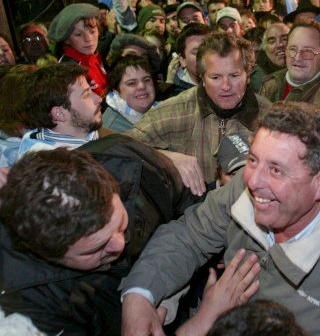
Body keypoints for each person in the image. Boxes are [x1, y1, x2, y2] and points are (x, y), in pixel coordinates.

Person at [120, 102, 320, 336]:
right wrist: (139, 296)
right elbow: (188, 235)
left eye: (276, 169)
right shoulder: (244, 196)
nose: (254, 180)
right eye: (253, 160)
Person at [0, 143, 196, 335]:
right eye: (96, 248)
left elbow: (192, 212)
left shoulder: (128, 159)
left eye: (120, 223)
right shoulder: (32, 314)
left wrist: (156, 291)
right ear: (48, 255)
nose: (119, 244)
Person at [129, 32, 271, 194]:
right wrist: (166, 158)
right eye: (215, 77)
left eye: (234, 75)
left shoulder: (268, 116)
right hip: (191, 214)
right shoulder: (177, 111)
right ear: (202, 78)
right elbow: (120, 146)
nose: (226, 86)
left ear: (248, 76)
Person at [15, 63, 106, 161]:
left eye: (91, 91)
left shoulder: (87, 129)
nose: (99, 99)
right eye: (86, 95)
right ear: (59, 113)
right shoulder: (52, 166)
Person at [259, 23, 320, 116]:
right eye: (293, 49)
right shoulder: (270, 84)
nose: (298, 58)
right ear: (286, 51)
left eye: (308, 51)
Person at [48, 3, 108, 97]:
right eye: (78, 34)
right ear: (66, 39)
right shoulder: (68, 70)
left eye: (92, 32)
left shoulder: (95, 56)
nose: (88, 39)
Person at [104, 55, 158, 132]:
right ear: (116, 91)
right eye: (132, 83)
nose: (142, 86)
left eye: (146, 80)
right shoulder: (111, 130)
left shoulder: (165, 108)